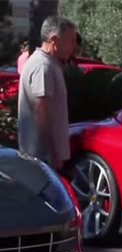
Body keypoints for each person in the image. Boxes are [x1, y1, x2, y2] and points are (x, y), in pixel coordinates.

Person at [17, 15, 77, 172]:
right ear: (54, 40)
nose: (74, 45)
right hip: (42, 159)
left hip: (43, 158)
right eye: (70, 39)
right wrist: (52, 154)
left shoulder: (49, 64)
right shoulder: (43, 66)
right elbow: (41, 111)